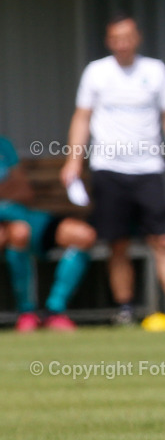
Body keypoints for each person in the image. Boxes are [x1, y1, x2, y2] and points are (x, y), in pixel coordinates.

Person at [61, 14, 165, 329]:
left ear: (137, 38)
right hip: (108, 168)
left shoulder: (155, 71)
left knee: (161, 239)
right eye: (116, 38)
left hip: (147, 168)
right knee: (117, 242)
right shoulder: (96, 73)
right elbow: (82, 118)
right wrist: (73, 160)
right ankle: (124, 309)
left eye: (128, 37)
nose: (122, 44)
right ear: (109, 41)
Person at [0, 135, 96, 332]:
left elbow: (24, 191)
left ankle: (54, 311)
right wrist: (7, 189)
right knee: (19, 233)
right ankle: (26, 312)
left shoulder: (3, 146)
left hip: (29, 217)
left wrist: (11, 191)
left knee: (84, 235)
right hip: (11, 227)